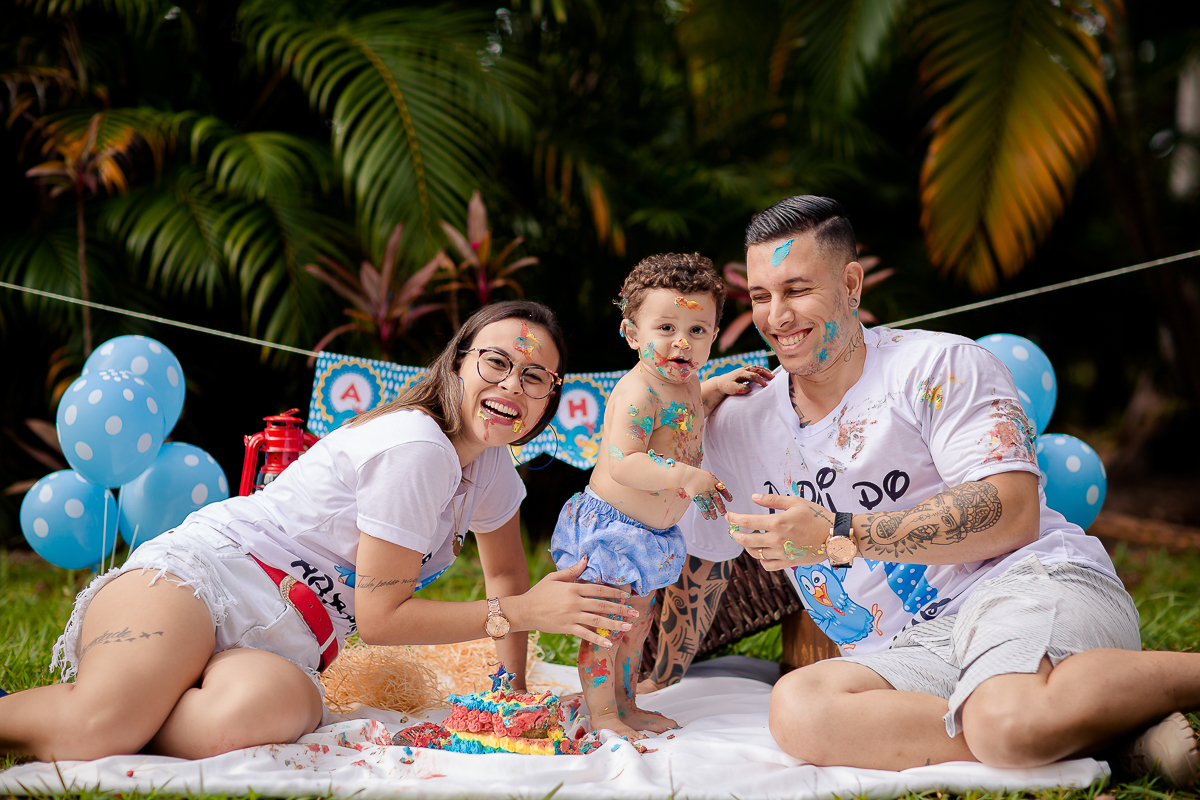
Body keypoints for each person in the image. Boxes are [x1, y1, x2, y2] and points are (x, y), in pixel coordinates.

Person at [665, 196, 1200, 785]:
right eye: (762, 297)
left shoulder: (939, 365)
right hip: (908, 651)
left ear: (851, 284)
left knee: (1005, 719)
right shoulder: (740, 422)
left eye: (796, 290)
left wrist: (841, 534)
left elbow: (1013, 511)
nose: (777, 316)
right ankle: (1103, 734)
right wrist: (680, 418)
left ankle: (1086, 710)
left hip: (1021, 585)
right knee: (798, 710)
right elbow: (664, 533)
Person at [0, 300, 637, 763]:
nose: (510, 386)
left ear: (550, 401)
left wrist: (511, 692)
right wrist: (523, 612)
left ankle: (143, 697)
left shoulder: (490, 464)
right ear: (456, 364)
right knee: (96, 730)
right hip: (202, 579)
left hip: (281, 645)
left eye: (534, 378)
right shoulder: (417, 447)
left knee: (265, 716)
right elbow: (384, 619)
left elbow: (504, 573)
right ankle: (75, 706)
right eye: (496, 362)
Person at [550, 253, 773, 740]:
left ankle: (625, 703)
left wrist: (715, 388)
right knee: (608, 630)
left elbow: (688, 415)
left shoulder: (686, 381)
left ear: (714, 335)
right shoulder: (639, 392)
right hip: (613, 530)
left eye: (698, 330)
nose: (682, 342)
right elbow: (623, 463)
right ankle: (604, 714)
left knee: (637, 628)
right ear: (632, 334)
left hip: (652, 534)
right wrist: (688, 477)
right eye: (666, 327)